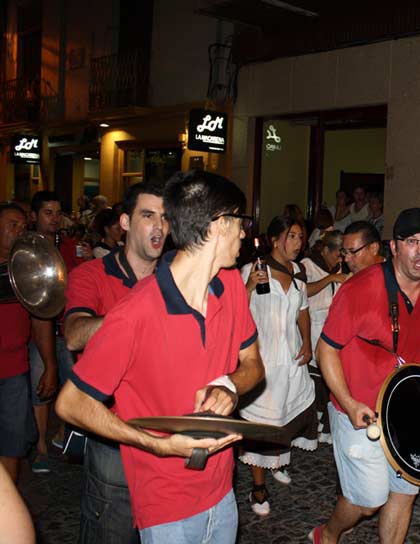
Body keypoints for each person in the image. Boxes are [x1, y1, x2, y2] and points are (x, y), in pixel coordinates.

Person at [56, 170, 265, 542]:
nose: (245, 232)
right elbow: (71, 404)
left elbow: (252, 364)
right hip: (165, 501)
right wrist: (158, 444)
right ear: (218, 226)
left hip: (221, 487)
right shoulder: (135, 312)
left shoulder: (230, 283)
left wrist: (229, 386)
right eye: (240, 222)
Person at [310, 208, 420, 544]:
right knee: (368, 501)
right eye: (411, 242)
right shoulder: (361, 289)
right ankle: (328, 534)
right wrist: (348, 402)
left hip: (406, 411)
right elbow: (325, 350)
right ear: (394, 247)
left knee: (404, 491)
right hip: (358, 409)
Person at [63, 180, 169, 543]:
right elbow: (75, 333)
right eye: (148, 215)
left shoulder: (175, 278)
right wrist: (136, 319)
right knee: (110, 533)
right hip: (112, 432)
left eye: (165, 217)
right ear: (124, 222)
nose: (159, 226)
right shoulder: (91, 274)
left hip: (168, 431)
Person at [240, 216, 318, 514]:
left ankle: (277, 463)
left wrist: (308, 343)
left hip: (291, 358)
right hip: (263, 360)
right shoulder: (253, 270)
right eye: (293, 236)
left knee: (287, 415)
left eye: (301, 238)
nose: (299, 243)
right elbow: (231, 310)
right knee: (263, 424)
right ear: (275, 240)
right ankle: (258, 488)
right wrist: (248, 286)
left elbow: (303, 311)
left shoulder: (298, 272)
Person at [28, 190, 87, 473]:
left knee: (70, 384)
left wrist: (88, 261)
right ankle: (40, 446)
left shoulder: (71, 245)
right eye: (47, 213)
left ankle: (62, 435)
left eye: (57, 212)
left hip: (65, 328)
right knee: (42, 386)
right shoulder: (25, 247)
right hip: (38, 328)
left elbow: (80, 283)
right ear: (35, 215)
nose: (54, 219)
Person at [0, 203, 56, 484]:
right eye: (12, 225)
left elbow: (40, 319)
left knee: (11, 446)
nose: (19, 231)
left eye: (23, 226)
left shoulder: (28, 271)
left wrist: (49, 365)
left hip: (13, 370)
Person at [302, 231, 350, 445]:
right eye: (337, 255)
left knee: (329, 380)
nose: (340, 261)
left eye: (342, 256)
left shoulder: (339, 269)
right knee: (314, 383)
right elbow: (302, 292)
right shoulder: (307, 265)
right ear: (325, 249)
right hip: (311, 328)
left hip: (331, 330)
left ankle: (326, 425)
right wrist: (330, 278)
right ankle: (314, 426)